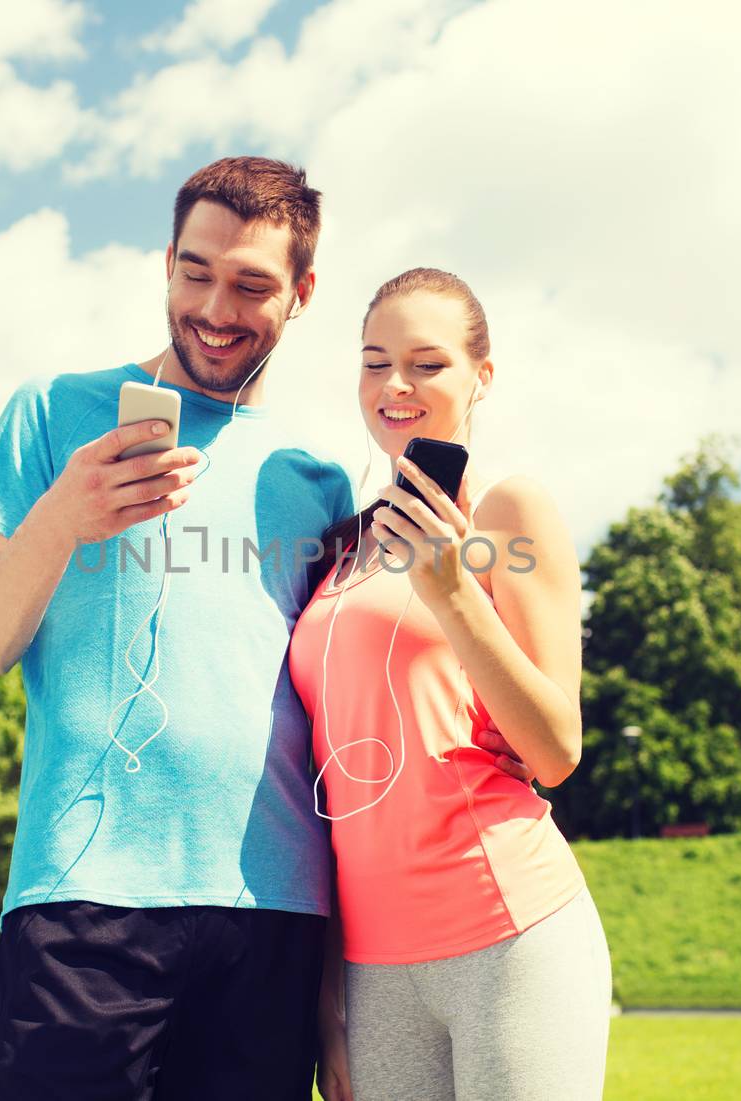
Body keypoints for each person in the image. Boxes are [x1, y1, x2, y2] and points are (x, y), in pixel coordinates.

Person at [0, 156, 354, 1100]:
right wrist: (63, 517)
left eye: (252, 285)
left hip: (274, 911)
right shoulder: (51, 413)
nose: (215, 306)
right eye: (196, 271)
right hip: (85, 900)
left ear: (302, 292)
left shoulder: (317, 476)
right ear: (167, 261)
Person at [290, 268, 612, 1101]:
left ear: (482, 376)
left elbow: (557, 747)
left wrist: (454, 586)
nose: (395, 385)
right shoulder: (342, 549)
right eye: (374, 361)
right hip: (371, 967)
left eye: (427, 363)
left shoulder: (509, 512)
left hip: (509, 934)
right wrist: (329, 1001)